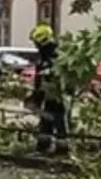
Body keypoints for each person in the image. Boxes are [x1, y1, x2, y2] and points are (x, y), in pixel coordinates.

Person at [27, 24, 69, 155]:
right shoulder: (45, 55)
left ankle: (61, 149)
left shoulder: (53, 56)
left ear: (42, 41)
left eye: (36, 42)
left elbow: (48, 77)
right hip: (48, 95)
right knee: (47, 119)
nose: (35, 45)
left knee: (57, 118)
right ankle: (43, 146)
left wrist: (36, 95)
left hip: (55, 94)